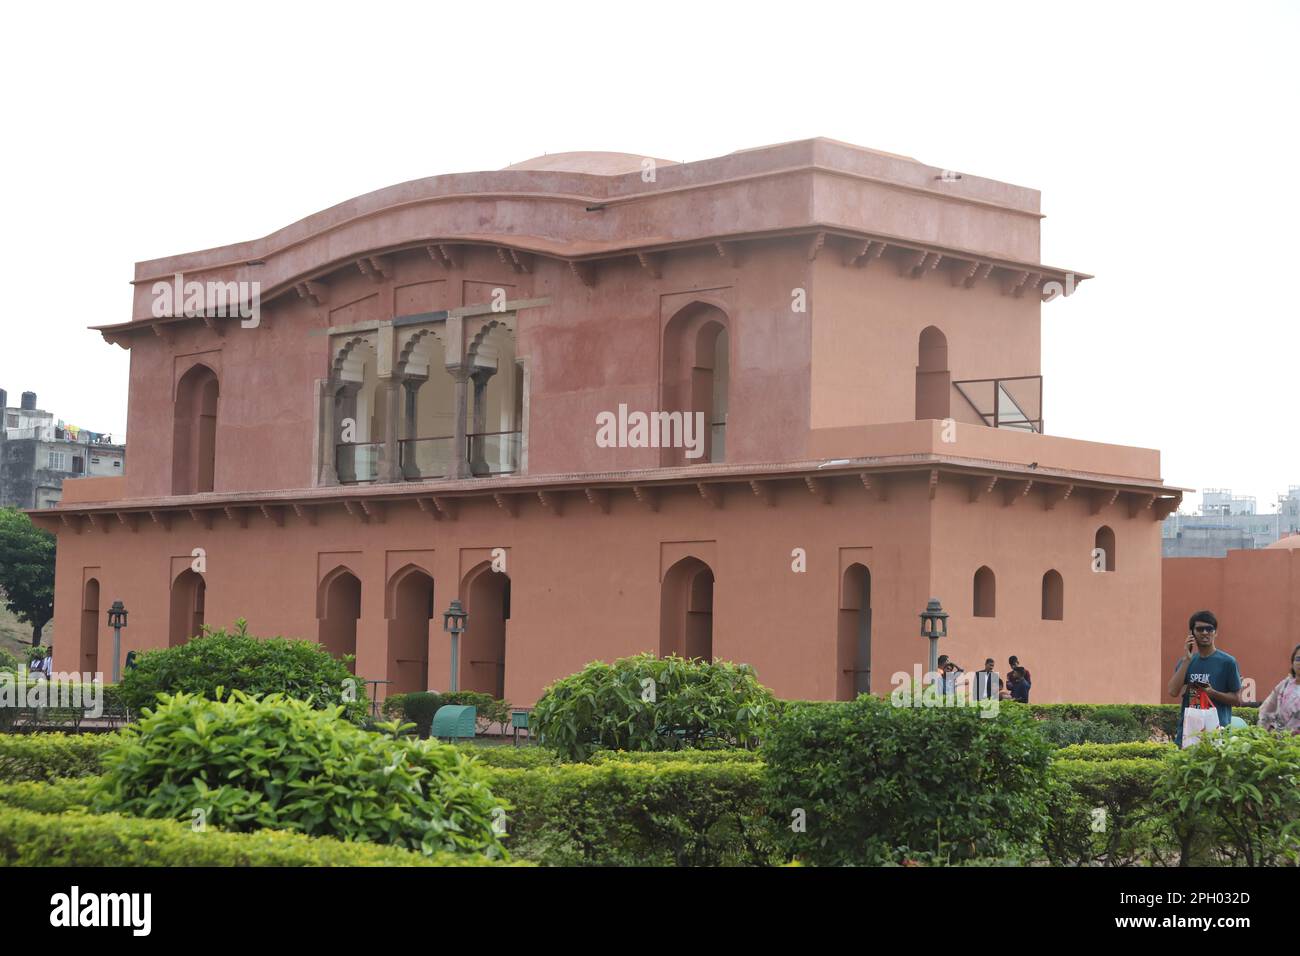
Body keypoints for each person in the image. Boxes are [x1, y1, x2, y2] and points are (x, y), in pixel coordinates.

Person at [1167, 610, 1241, 747]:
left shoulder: (1228, 662)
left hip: (1217, 734)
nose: (1205, 633)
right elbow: (1172, 691)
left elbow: (1237, 699)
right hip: (1188, 734)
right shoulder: (1186, 662)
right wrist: (1187, 659)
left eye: (1209, 629)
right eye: (1200, 629)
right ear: (1192, 633)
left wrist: (1212, 693)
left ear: (1215, 632)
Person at [1258, 643, 1300, 735]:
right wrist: (1263, 731)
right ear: (1292, 662)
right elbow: (1267, 708)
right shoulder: (1284, 685)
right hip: (1278, 741)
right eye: (1298, 659)